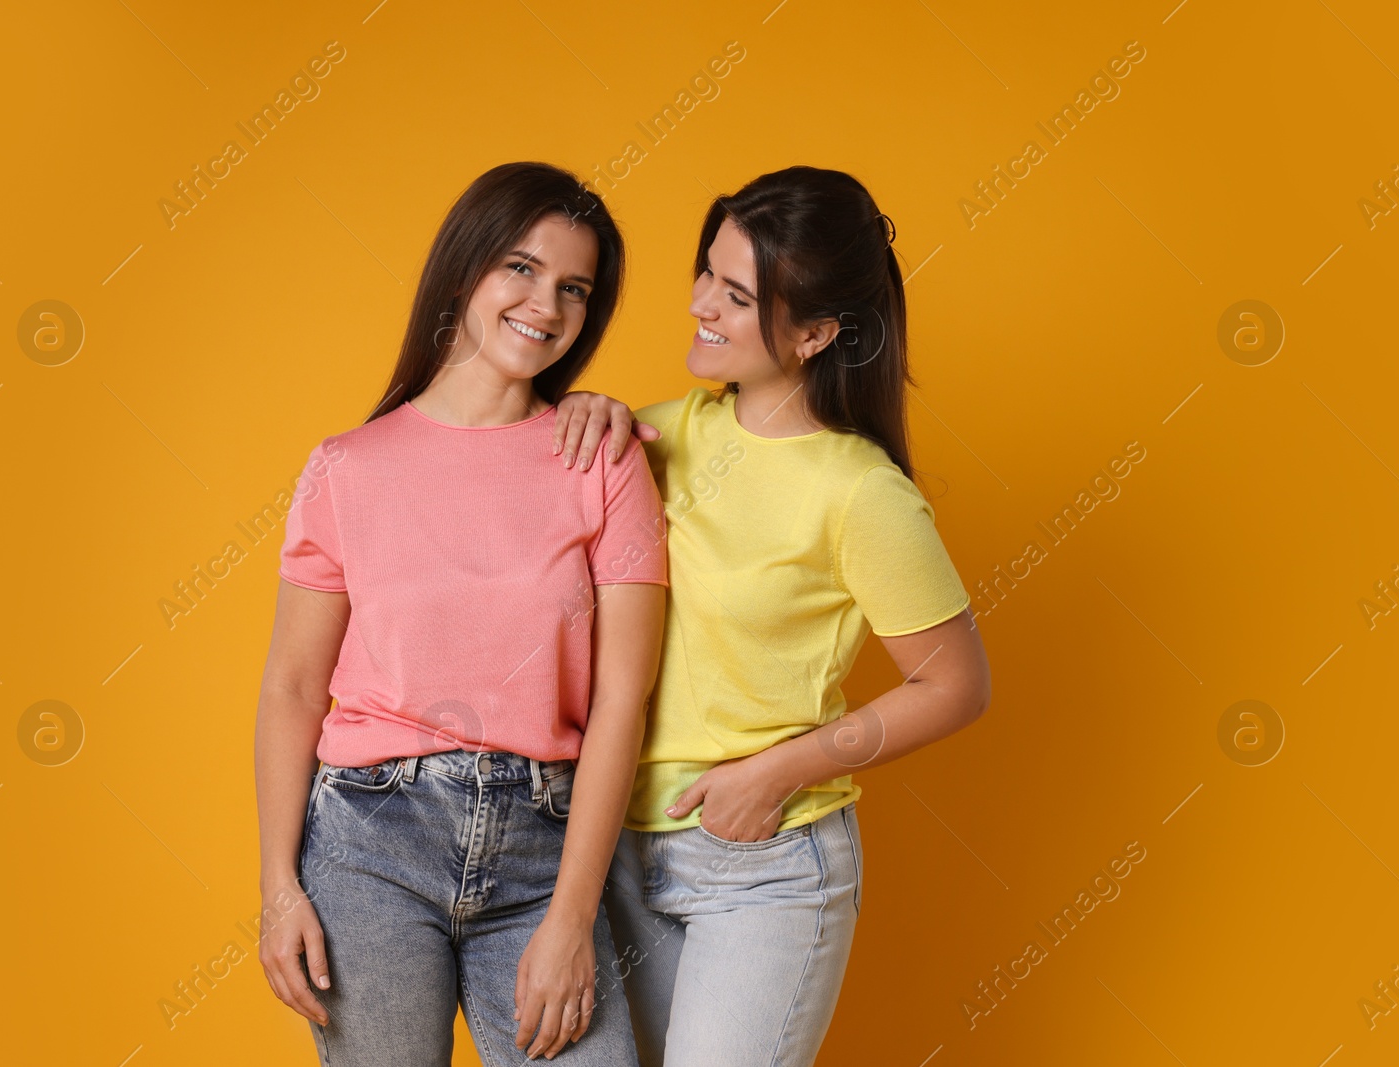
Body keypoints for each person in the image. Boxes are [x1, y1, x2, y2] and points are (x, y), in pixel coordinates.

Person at [549, 165, 993, 1067]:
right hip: (613, 855)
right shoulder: (655, 435)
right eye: (707, 271)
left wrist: (781, 769)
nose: (702, 303)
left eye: (739, 293)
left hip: (765, 865)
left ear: (818, 333)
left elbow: (956, 685)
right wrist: (586, 409)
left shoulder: (860, 492)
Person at [254, 161, 668, 1066]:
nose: (545, 304)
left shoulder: (603, 458)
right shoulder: (346, 469)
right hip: (368, 845)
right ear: (464, 268)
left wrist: (570, 915)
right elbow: (293, 685)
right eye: (519, 268)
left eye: (573, 287)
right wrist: (279, 887)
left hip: (543, 849)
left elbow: (620, 703)